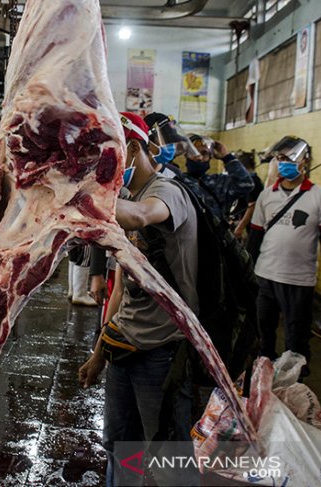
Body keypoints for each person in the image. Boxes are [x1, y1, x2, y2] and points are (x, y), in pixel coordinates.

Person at [78, 113, 198, 486]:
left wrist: (81, 196)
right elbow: (120, 288)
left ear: (131, 149)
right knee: (121, 447)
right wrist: (100, 352)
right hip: (123, 347)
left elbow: (144, 217)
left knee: (168, 455)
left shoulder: (167, 193)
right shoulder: (127, 196)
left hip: (163, 350)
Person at [247, 136, 321, 377]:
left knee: (297, 339)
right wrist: (248, 273)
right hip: (266, 275)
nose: (283, 163)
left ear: (304, 161)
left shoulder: (320, 196)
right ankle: (263, 387)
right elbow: (255, 238)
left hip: (299, 280)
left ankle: (294, 388)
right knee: (263, 334)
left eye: (289, 158)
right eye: (279, 158)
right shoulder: (267, 196)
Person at [182, 133, 254, 221]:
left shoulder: (219, 182)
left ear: (210, 158)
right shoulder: (177, 181)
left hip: (212, 233)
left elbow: (247, 185)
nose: (199, 157)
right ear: (185, 155)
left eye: (204, 153)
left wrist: (227, 157)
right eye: (193, 152)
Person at [230, 151, 264, 240]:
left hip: (248, 225)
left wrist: (240, 227)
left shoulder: (252, 182)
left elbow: (252, 207)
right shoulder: (250, 180)